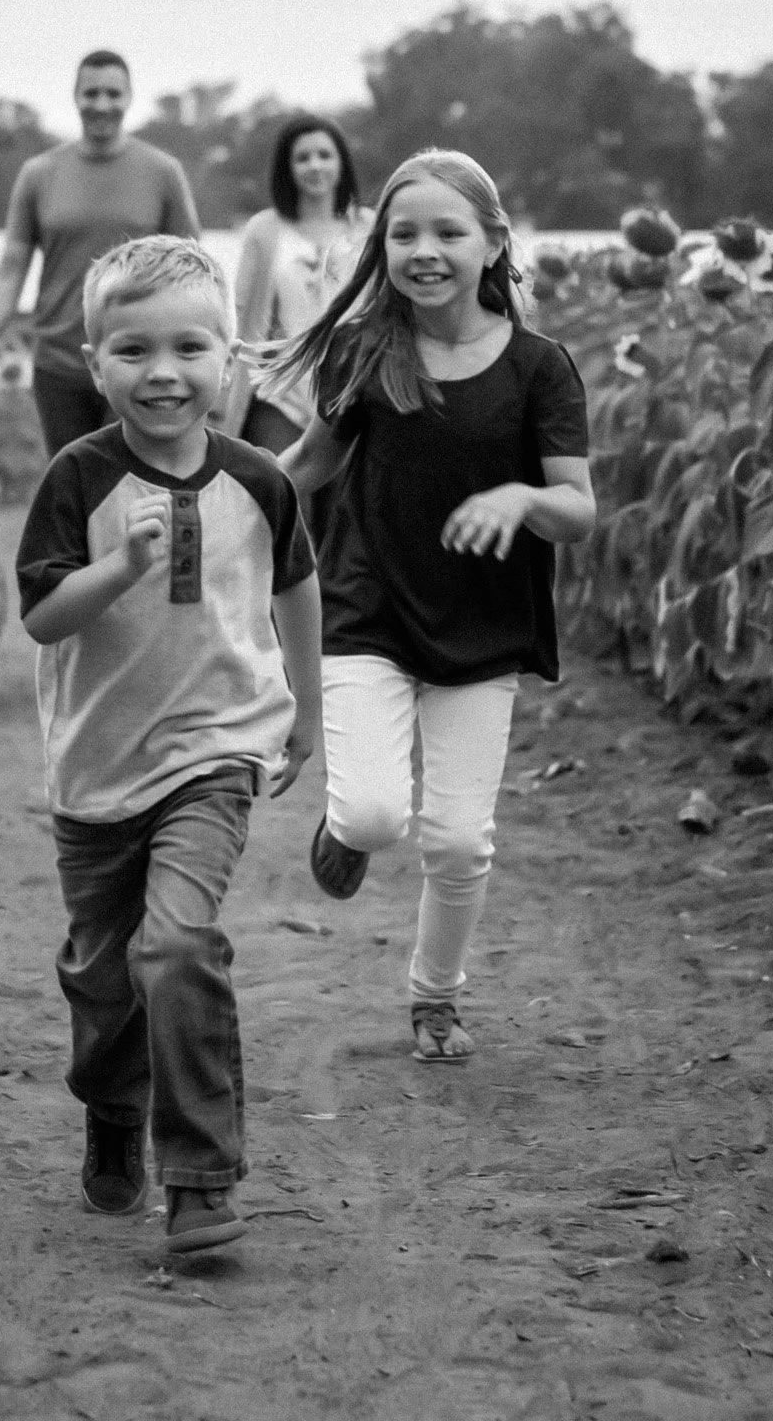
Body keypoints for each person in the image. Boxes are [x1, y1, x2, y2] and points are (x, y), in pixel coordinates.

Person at [15, 235, 322, 1254]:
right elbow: (46, 616)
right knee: (104, 983)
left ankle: (198, 1177)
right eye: (135, 349)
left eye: (191, 346)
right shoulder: (78, 477)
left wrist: (307, 710)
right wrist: (122, 566)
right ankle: (112, 1105)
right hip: (98, 770)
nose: (164, 371)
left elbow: (296, 584)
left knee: (177, 941)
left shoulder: (258, 479)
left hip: (215, 751)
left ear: (230, 361)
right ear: (96, 363)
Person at [276, 149, 595, 1064]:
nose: (424, 250)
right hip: (365, 611)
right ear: (380, 246)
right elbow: (307, 464)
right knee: (377, 816)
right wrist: (225, 504)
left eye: (447, 232)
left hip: (482, 629)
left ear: (493, 243)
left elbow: (577, 508)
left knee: (457, 842)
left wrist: (523, 500)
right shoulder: (366, 349)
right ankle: (346, 830)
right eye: (402, 232)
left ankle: (434, 1000)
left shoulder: (540, 369)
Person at [0, 51, 199, 454]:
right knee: (71, 491)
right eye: (91, 93)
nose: (102, 105)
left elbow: (193, 275)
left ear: (129, 98)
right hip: (60, 365)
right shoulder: (39, 175)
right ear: (75, 97)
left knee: (130, 485)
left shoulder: (163, 173)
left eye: (113, 94)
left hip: (138, 360)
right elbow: (10, 272)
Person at [223, 114, 370, 457]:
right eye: (303, 158)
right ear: (287, 168)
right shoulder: (265, 230)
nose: (314, 165)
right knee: (281, 493)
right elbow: (240, 311)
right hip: (281, 395)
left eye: (324, 155)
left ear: (341, 162)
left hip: (354, 391)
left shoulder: (370, 227)